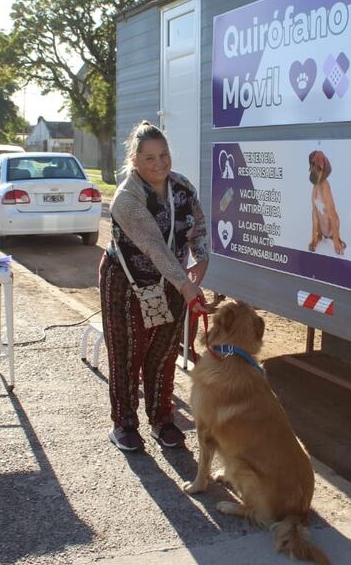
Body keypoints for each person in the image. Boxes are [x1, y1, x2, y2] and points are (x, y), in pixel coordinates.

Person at [100, 120, 209, 452]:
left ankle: (162, 420)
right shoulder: (126, 199)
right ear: (134, 160)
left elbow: (198, 227)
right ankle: (124, 424)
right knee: (127, 355)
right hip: (127, 284)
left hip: (171, 284)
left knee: (163, 355)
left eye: (164, 155)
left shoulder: (182, 187)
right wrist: (187, 286)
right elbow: (154, 247)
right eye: (149, 158)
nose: (159, 163)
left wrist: (200, 261)